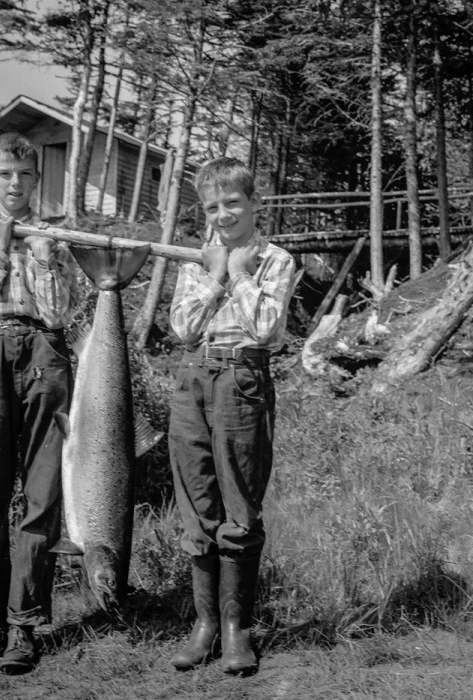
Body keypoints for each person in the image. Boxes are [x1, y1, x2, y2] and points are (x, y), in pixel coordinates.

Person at [0, 132, 78, 675]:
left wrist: (45, 260)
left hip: (44, 354)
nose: (16, 184)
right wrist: (1, 248)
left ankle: (25, 626)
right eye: (5, 174)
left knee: (43, 494)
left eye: (25, 175)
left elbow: (58, 315)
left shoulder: (54, 234)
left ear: (36, 179)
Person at [168, 156, 296, 675]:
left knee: (239, 505)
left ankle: (235, 629)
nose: (222, 214)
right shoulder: (194, 260)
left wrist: (240, 276)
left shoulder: (276, 259)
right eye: (212, 206)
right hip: (192, 378)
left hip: (243, 380)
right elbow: (181, 328)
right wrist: (215, 277)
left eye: (233, 203)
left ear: (254, 203)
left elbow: (265, 328)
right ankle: (203, 625)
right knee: (197, 502)